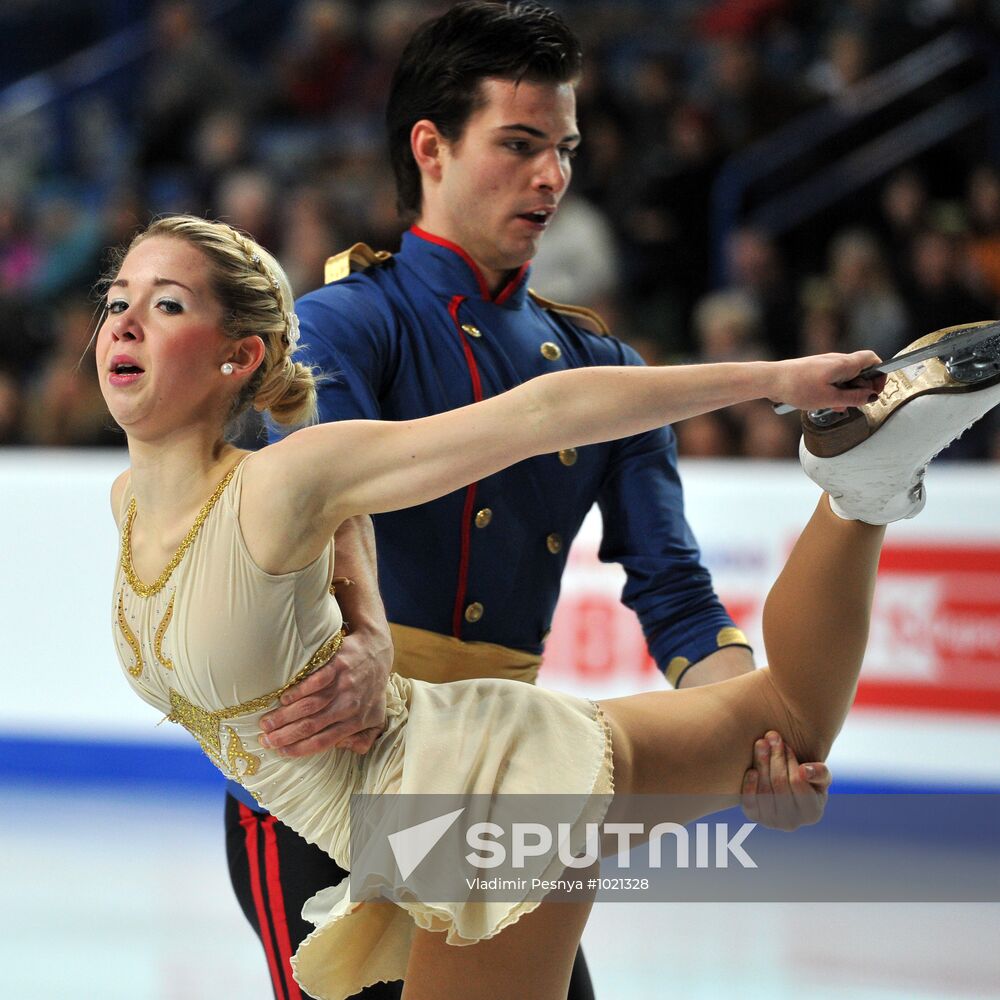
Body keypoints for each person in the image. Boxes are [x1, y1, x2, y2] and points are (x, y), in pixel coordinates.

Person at [100, 213, 1000, 1000]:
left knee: (788, 721)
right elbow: (343, 534)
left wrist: (778, 378)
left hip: (460, 804)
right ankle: (862, 487)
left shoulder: (281, 482)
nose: (126, 321)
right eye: (117, 300)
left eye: (167, 303)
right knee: (785, 718)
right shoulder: (130, 502)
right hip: (430, 786)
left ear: (239, 355)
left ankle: (857, 485)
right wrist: (367, 627)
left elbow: (543, 415)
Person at [228, 7, 834, 996]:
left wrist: (750, 739)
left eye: (563, 149)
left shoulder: (602, 367)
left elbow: (676, 596)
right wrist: (371, 638)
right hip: (329, 777)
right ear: (430, 147)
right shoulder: (338, 326)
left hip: (496, 779)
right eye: (518, 145)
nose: (551, 178)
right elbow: (327, 505)